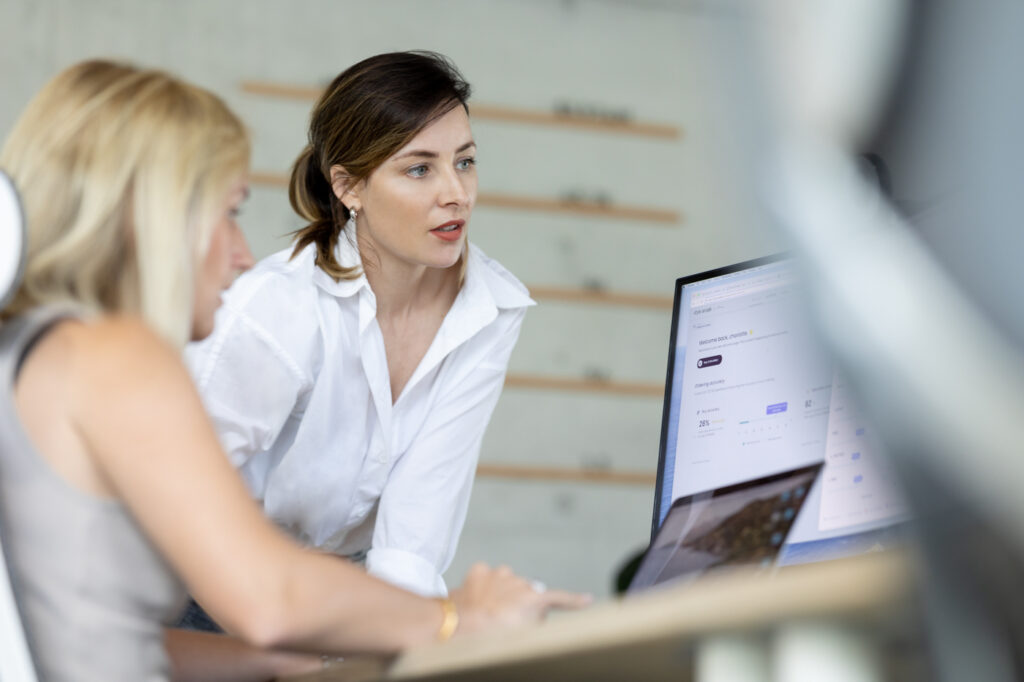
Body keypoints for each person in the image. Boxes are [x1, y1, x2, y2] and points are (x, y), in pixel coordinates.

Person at [0, 59, 585, 682]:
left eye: (465, 162)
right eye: (227, 213)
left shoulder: (36, 352)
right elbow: (268, 598)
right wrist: (457, 620)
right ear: (148, 220)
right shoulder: (118, 354)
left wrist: (289, 661)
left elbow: (111, 637)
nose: (244, 253)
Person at [185, 50, 533, 607]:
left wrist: (399, 640)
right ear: (349, 187)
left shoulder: (489, 309)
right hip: (207, 580)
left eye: (464, 161)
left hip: (343, 595)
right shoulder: (279, 306)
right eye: (420, 168)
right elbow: (176, 492)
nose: (456, 193)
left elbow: (417, 527)